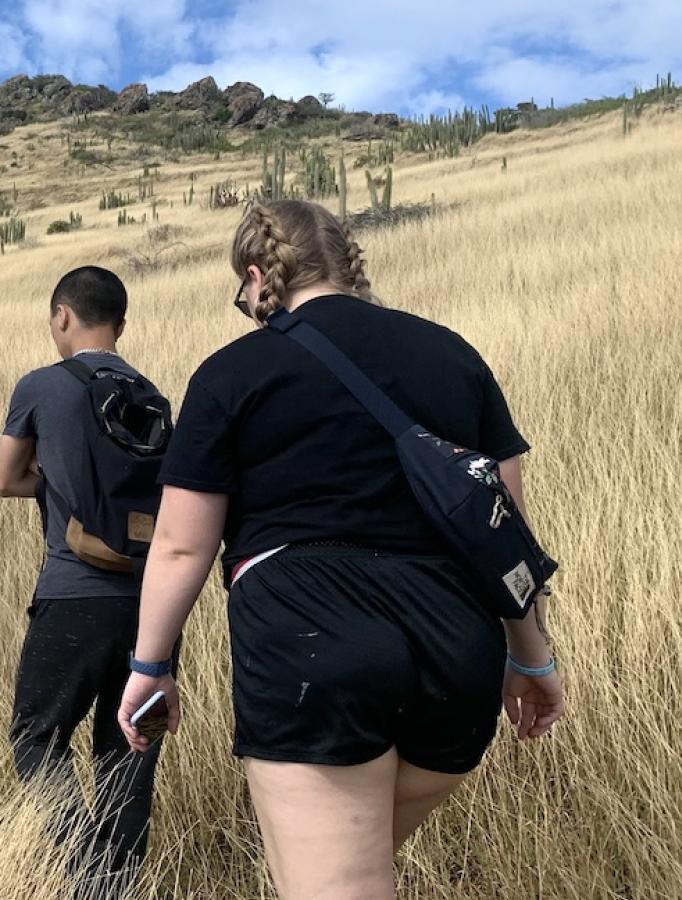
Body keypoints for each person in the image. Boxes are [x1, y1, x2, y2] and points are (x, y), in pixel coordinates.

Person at [114, 200, 566, 898]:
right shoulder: (453, 355)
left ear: (257, 276)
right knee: (351, 870)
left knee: (335, 883)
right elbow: (505, 535)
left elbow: (179, 546)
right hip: (456, 649)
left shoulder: (231, 373)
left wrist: (150, 666)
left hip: (311, 642)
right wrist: (531, 657)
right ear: (348, 265)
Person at [0, 267, 163, 887]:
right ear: (121, 324)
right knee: (131, 750)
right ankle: (121, 883)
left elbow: (6, 479)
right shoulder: (150, 394)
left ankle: (88, 873)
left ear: (62, 315)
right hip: (152, 603)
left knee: (36, 737)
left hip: (73, 593)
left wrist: (55, 479)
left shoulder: (41, 386)